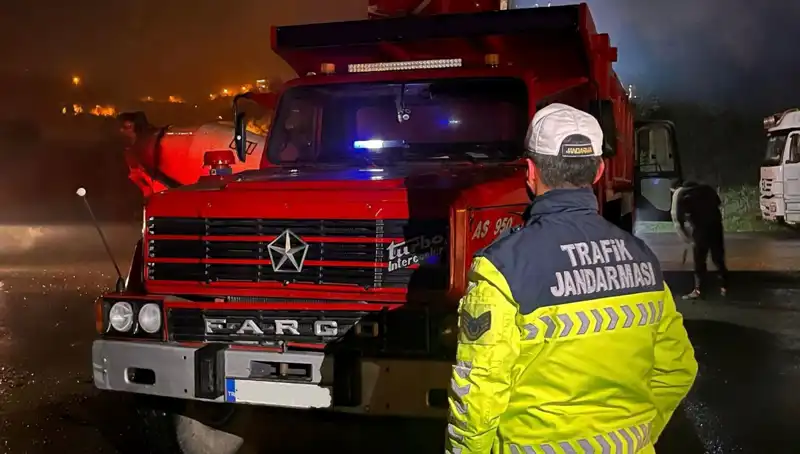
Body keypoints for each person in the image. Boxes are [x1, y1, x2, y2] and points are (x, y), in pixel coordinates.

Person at [446, 103, 698, 454]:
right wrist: (638, 436)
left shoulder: (501, 267)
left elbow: (479, 393)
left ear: (530, 171)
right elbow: (678, 368)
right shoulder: (642, 258)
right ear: (599, 170)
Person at [671, 180, 728, 299]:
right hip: (716, 226)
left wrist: (687, 238)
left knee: (700, 260)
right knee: (718, 257)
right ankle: (724, 287)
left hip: (700, 229)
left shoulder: (679, 194)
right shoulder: (707, 188)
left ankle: (699, 290)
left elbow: (677, 219)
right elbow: (718, 203)